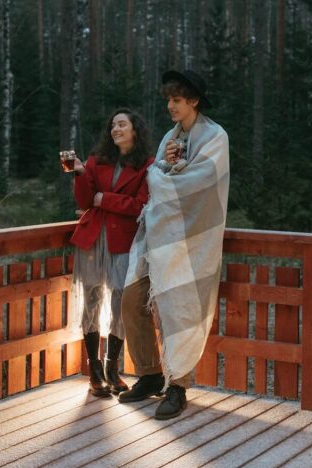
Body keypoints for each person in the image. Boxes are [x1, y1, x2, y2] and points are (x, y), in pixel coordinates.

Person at [118, 70, 230, 420]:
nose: (170, 106)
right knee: (132, 299)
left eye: (176, 100)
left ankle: (177, 385)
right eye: (168, 100)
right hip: (159, 239)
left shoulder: (215, 136)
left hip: (194, 239)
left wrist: (164, 170)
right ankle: (151, 372)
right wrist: (164, 163)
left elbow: (201, 183)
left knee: (181, 308)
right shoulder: (171, 134)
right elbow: (162, 175)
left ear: (193, 101)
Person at [69, 109, 154, 398]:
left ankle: (112, 368)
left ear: (134, 130)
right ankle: (94, 371)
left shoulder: (147, 165)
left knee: (121, 299)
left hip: (123, 241)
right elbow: (83, 199)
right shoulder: (96, 161)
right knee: (91, 298)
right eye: (113, 125)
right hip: (93, 239)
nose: (116, 129)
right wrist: (80, 174)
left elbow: (140, 205)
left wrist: (103, 199)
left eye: (122, 124)